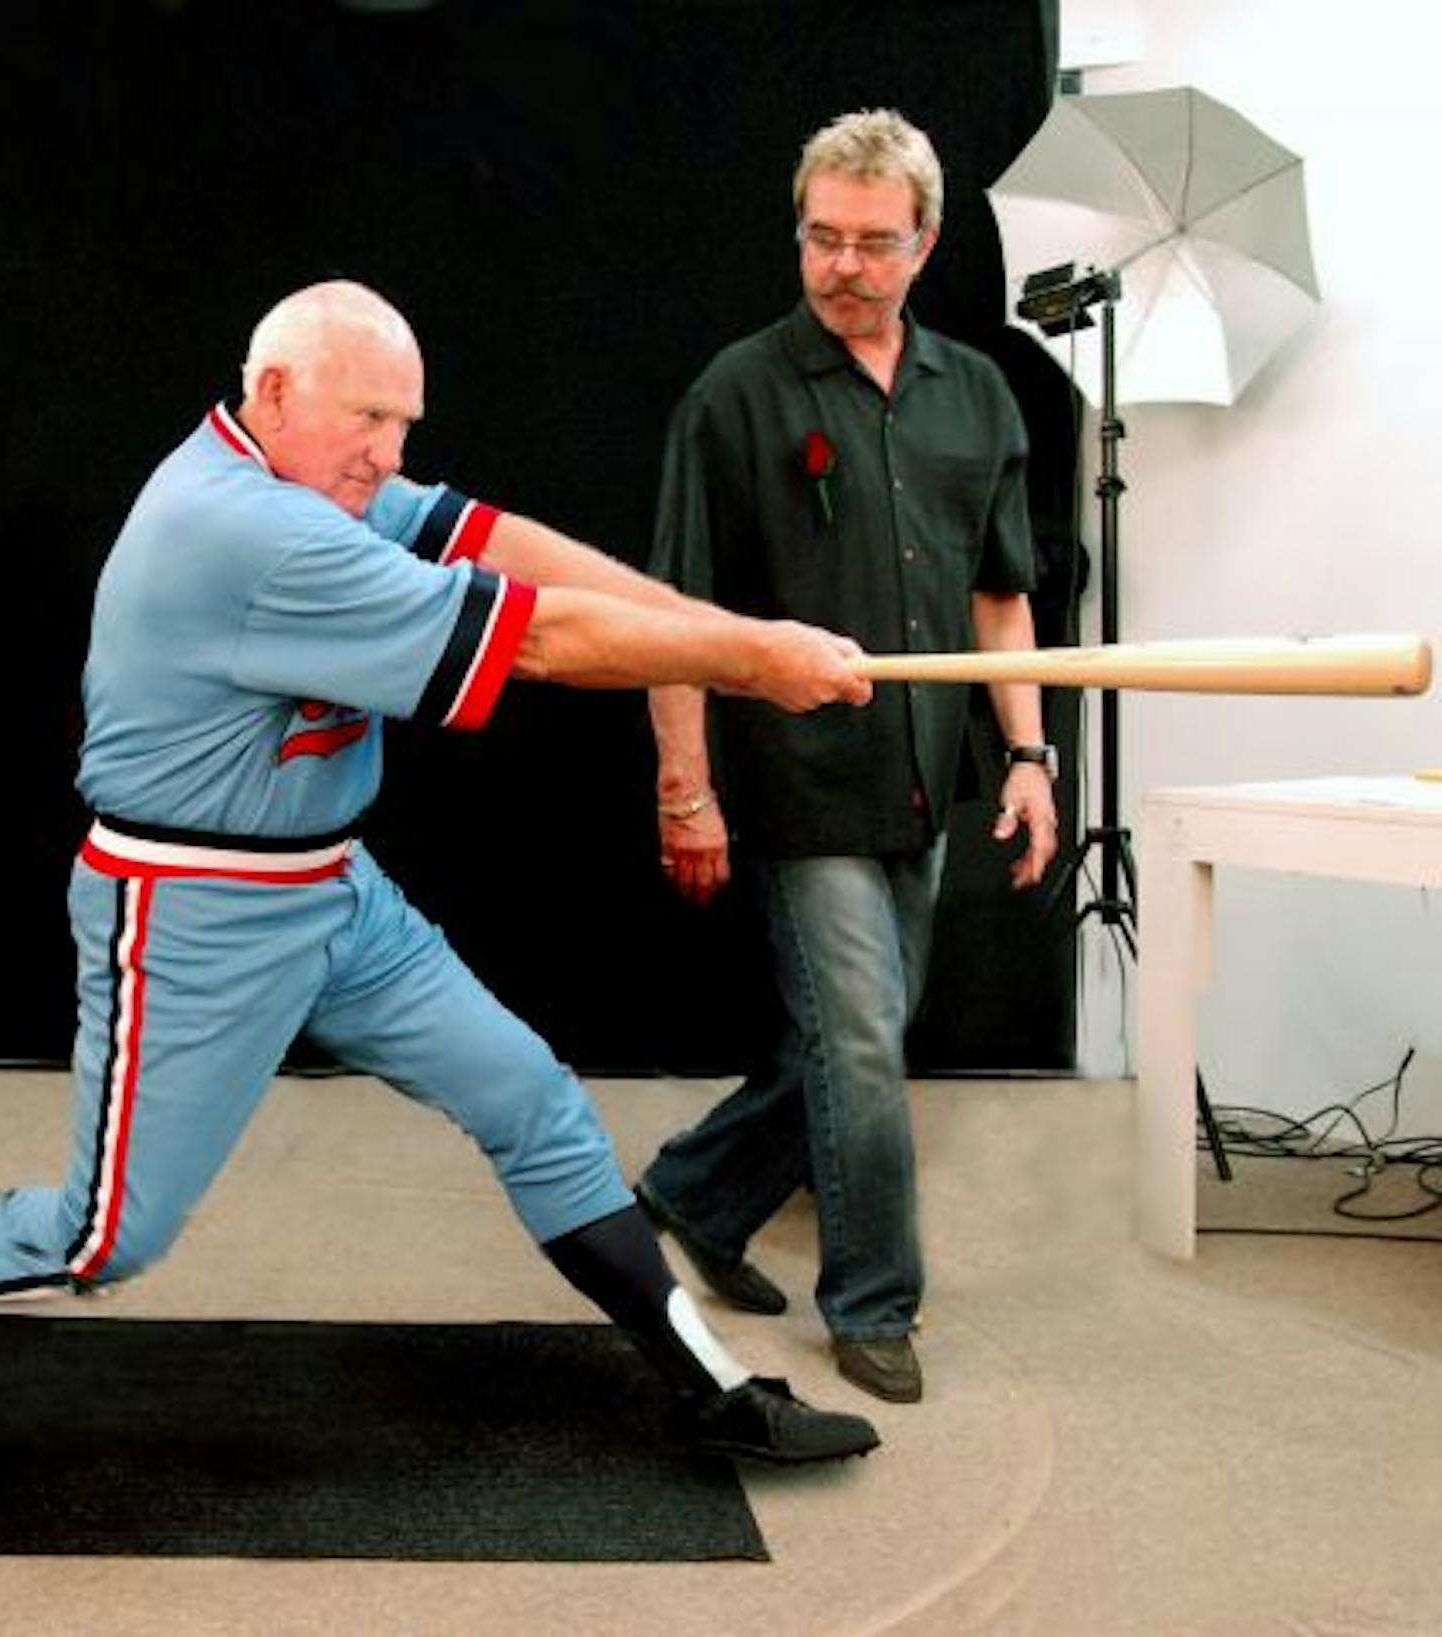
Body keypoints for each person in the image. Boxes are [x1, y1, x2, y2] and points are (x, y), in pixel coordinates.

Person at [0, 277, 885, 1491]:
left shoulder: (313, 477)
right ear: (274, 391)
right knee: (105, 1236)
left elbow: (489, 538)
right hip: (190, 906)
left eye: (403, 425)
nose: (390, 453)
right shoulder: (247, 529)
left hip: (333, 887)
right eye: (371, 420)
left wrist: (700, 619)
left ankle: (713, 1389)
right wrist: (749, 658)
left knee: (532, 1096)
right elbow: (529, 635)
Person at [636, 109, 1058, 1406]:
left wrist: (1031, 758)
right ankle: (873, 1300)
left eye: (873, 244)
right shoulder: (739, 392)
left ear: (924, 244)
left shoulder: (974, 395)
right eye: (822, 238)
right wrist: (686, 781)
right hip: (798, 783)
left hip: (925, 781)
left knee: (852, 1034)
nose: (843, 267)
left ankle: (697, 1193)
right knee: (867, 1043)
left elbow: (1001, 598)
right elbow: (678, 616)